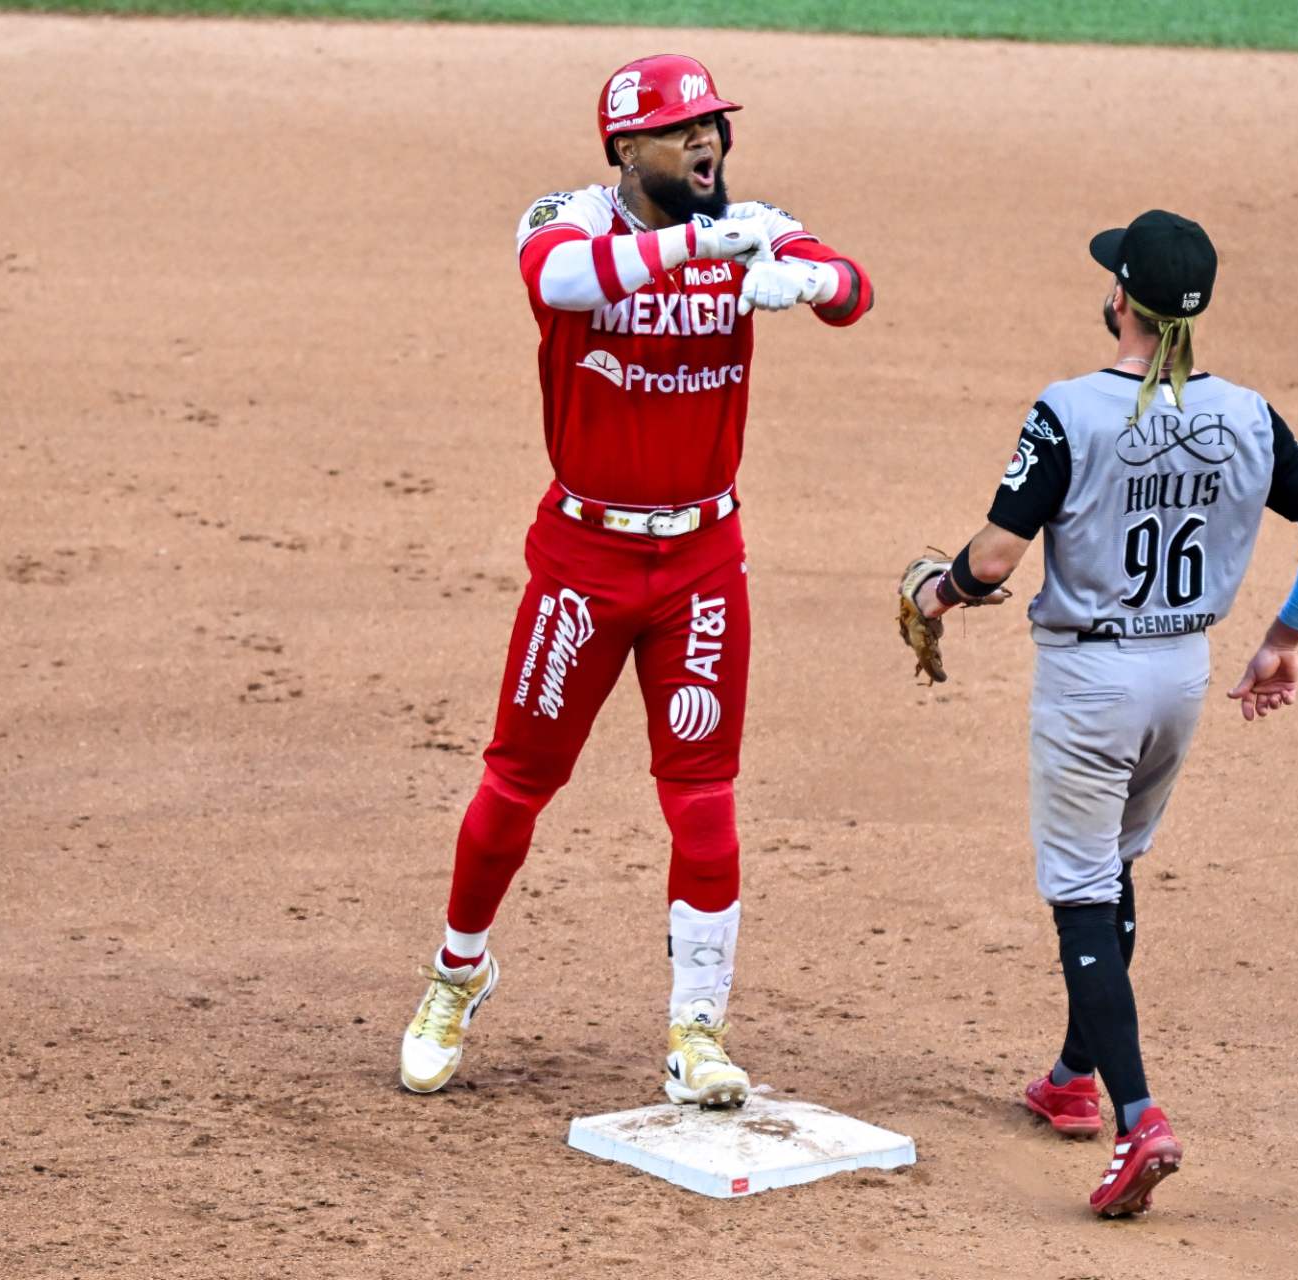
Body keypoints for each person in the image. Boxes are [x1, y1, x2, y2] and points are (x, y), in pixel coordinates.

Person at [399, 53, 872, 1107]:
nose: (707, 142)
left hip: (702, 560)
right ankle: (454, 975)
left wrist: (805, 279)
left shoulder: (757, 218)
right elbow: (560, 281)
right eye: (682, 128)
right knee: (515, 785)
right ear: (625, 149)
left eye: (714, 124)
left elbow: (856, 288)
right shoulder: (564, 218)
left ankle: (696, 1031)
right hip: (584, 555)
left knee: (702, 798)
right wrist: (706, 245)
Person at [899, 210, 1298, 1215]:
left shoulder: (1069, 412)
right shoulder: (1248, 415)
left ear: (1122, 299)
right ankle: (1072, 1074)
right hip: (1181, 679)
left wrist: (939, 592)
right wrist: (1283, 641)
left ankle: (1139, 1115)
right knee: (1113, 870)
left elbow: (993, 559)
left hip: (1091, 685)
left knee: (1078, 890)